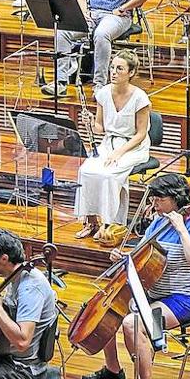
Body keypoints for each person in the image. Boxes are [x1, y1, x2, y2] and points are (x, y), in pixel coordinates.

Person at [81, 174, 190, 379]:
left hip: (184, 297)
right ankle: (113, 370)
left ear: (176, 199)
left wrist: (181, 229)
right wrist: (123, 258)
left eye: (158, 200)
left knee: (134, 324)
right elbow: (142, 257)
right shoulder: (156, 223)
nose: (153, 205)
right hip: (153, 292)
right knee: (107, 308)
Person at [72, 51, 151, 240]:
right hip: (108, 143)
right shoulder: (103, 93)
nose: (113, 72)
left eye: (119, 68)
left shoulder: (140, 98)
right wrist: (90, 122)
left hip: (133, 147)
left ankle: (110, 224)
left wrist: (119, 153)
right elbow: (100, 128)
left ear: (131, 73)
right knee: (86, 170)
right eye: (112, 67)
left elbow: (141, 134)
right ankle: (91, 222)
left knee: (108, 174)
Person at [0, 228, 58, 379]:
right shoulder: (16, 277)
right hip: (7, 359)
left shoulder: (30, 288)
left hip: (23, 370)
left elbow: (22, 341)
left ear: (4, 259)